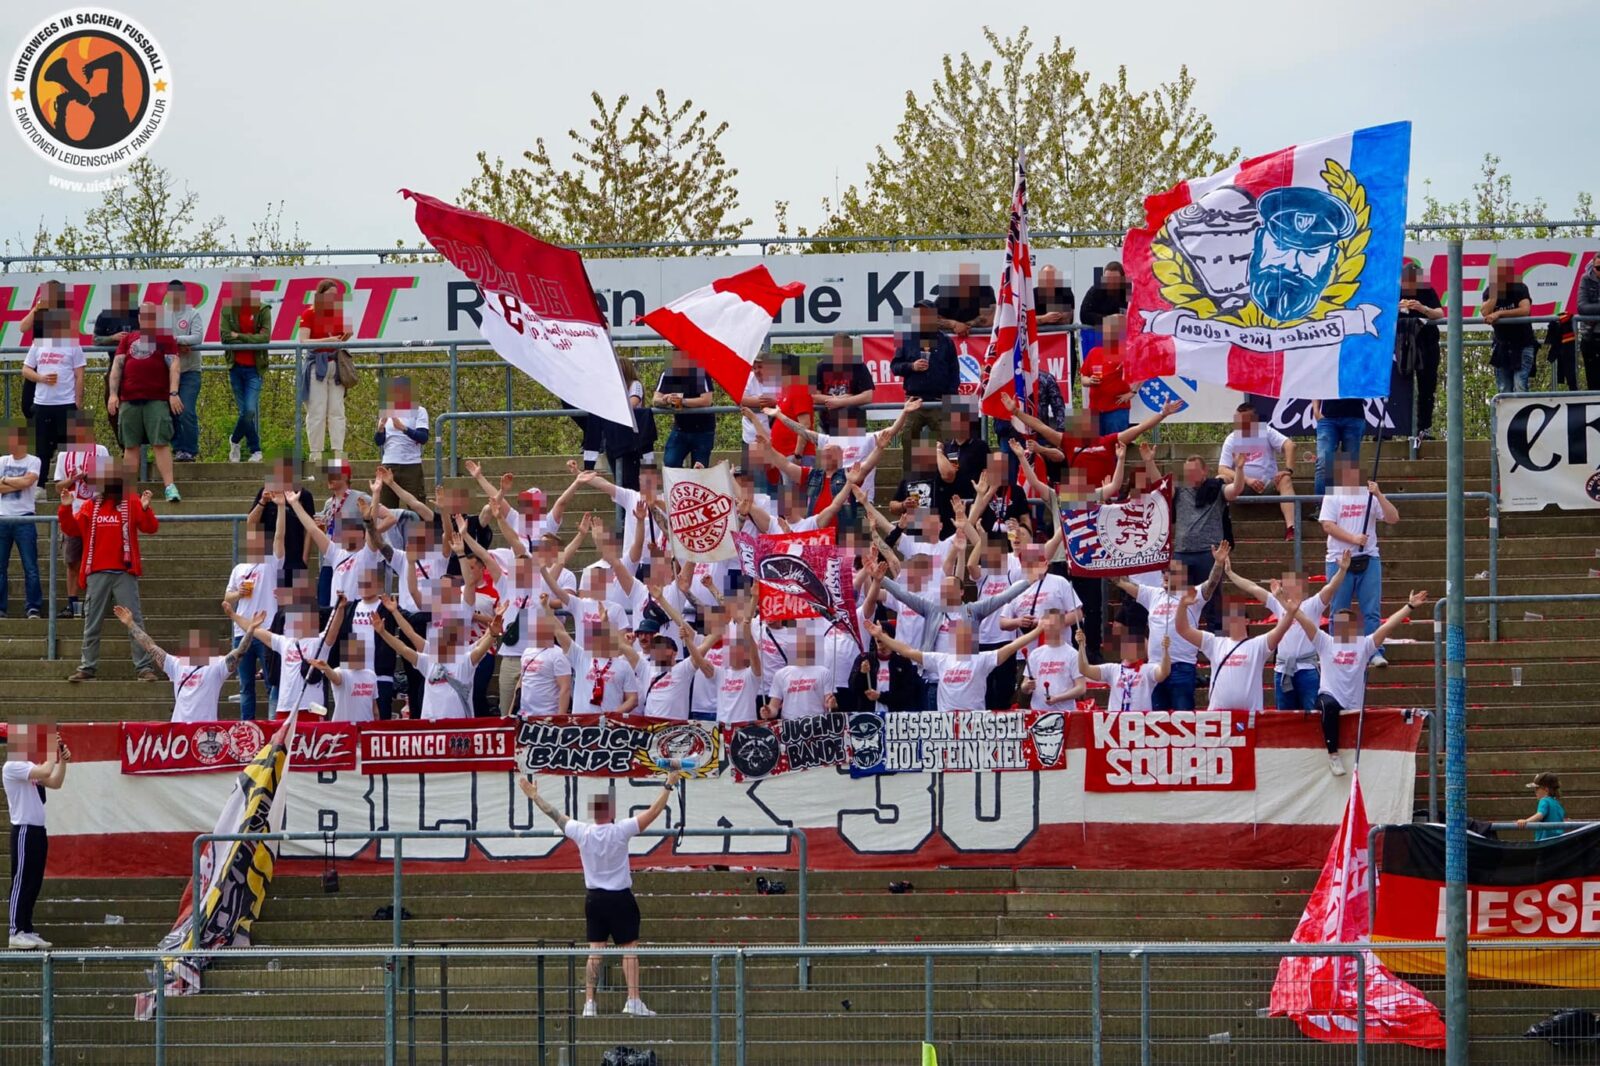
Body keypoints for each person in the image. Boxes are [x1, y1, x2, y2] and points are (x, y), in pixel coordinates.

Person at [519, 771, 683, 1018]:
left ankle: (589, 1004)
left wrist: (535, 796)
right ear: (612, 812)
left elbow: (555, 815)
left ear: (594, 813)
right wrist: (668, 786)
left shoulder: (582, 832)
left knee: (595, 951)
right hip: (620, 897)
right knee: (629, 949)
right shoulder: (621, 830)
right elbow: (653, 812)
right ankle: (633, 999)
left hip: (594, 899)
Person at [1287, 588, 1428, 775]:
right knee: (1326, 705)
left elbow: (1386, 628)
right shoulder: (1325, 642)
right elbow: (1306, 623)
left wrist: (1409, 606)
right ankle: (1333, 755)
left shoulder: (1364, 644)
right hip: (1330, 696)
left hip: (1352, 702)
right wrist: (1293, 610)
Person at [57, 476, 161, 683]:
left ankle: (143, 667)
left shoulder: (131, 503)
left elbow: (150, 527)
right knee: (92, 622)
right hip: (96, 572)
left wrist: (145, 508)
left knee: (135, 623)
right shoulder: (90, 506)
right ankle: (87, 667)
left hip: (124, 572)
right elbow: (72, 530)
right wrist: (66, 508)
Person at [1225, 552, 1351, 712]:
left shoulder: (1313, 605)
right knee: (1284, 717)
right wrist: (1230, 572)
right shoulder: (1278, 604)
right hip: (1283, 669)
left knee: (1311, 715)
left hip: (1307, 668)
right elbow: (1252, 588)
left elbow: (1331, 587)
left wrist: (1342, 570)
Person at [1111, 545, 1229, 712]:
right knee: (1156, 720)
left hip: (1182, 666)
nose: (1165, 575)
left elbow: (1211, 584)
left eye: (1170, 572)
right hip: (1155, 668)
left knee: (1184, 718)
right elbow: (1121, 582)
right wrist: (1113, 562)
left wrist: (1218, 563)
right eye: (1164, 572)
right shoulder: (1152, 594)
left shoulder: (1191, 594)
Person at [113, 605, 263, 723]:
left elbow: (240, 652)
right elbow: (150, 647)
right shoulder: (177, 664)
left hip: (204, 729)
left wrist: (250, 630)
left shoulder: (217, 666)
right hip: (178, 728)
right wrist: (130, 624)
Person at [865, 617, 1041, 713]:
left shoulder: (983, 659)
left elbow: (1013, 646)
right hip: (947, 725)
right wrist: (882, 637)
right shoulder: (941, 659)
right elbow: (908, 651)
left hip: (973, 723)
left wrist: (1039, 630)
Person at [1319, 460, 1400, 665]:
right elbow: (1328, 525)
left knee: (1371, 610)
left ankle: (1374, 651)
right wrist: (1353, 539)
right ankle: (1338, 651)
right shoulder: (1333, 495)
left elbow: (1393, 518)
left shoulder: (1370, 495)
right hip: (1339, 559)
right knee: (1339, 609)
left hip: (1369, 558)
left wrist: (1379, 494)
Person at [1175, 587, 1300, 713]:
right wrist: (1182, 605)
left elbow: (1280, 630)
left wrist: (1290, 613)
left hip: (1250, 717)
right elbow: (1183, 629)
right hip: (1219, 717)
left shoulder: (1258, 645)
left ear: (1247, 621)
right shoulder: (1214, 642)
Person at [375, 601, 505, 720]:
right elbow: (404, 648)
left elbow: (483, 646)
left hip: (457, 729)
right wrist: (383, 632)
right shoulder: (429, 660)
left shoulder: (466, 660)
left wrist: (493, 634)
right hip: (431, 729)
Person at [107, 302, 183, 502]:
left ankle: (169, 486)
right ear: (139, 317)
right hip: (129, 400)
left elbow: (174, 364)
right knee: (130, 446)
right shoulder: (128, 339)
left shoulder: (165, 338)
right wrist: (113, 394)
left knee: (161, 443)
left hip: (156, 399)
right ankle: (129, 493)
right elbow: (117, 366)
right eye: (144, 315)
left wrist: (173, 392)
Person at [4, 721, 68, 949]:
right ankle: (15, 930)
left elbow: (55, 781)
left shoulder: (29, 766)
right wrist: (52, 749)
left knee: (33, 881)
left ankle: (26, 928)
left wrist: (63, 760)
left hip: (38, 830)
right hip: (23, 829)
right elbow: (45, 770)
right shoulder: (13, 766)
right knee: (21, 880)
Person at [225, 508, 286, 720]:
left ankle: (272, 723)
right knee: (245, 684)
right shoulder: (239, 568)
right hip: (242, 631)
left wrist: (279, 507)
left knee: (272, 681)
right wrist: (237, 593)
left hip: (267, 630)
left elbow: (279, 535)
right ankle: (246, 726)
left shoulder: (272, 563)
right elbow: (226, 597)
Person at [21, 284, 85, 486]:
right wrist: (37, 307)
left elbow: (78, 368)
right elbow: (23, 327)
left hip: (60, 377)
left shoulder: (64, 315)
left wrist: (78, 400)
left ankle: (61, 469)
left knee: (67, 435)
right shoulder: (39, 310)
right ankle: (43, 460)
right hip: (39, 362)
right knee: (29, 409)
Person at [51, 412, 111, 618]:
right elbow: (58, 486)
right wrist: (72, 479)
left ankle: (93, 603)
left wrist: (90, 477)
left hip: (95, 514)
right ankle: (72, 603)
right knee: (72, 561)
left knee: (96, 560)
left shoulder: (100, 450)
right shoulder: (64, 455)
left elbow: (109, 483)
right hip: (73, 515)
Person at [891, 302, 960, 469]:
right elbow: (895, 367)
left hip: (939, 401)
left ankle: (947, 478)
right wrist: (912, 366)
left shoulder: (945, 342)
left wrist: (949, 400)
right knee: (908, 437)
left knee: (948, 442)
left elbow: (954, 373)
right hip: (915, 401)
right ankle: (910, 477)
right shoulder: (907, 340)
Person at [1217, 403, 1298, 540]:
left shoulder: (1265, 431)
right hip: (1241, 486)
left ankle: (1291, 528)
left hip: (1268, 484)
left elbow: (1290, 445)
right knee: (1220, 478)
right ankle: (1220, 529)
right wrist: (1246, 479)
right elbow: (1222, 468)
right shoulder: (1232, 439)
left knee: (1285, 479)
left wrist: (1287, 470)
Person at [219, 280, 272, 463]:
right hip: (235, 367)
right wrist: (250, 339)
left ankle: (235, 440)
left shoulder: (263, 309)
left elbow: (265, 338)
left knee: (249, 411)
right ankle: (255, 450)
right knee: (245, 413)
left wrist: (239, 336)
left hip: (254, 369)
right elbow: (225, 337)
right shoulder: (228, 310)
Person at [301, 280, 353, 465]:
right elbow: (303, 341)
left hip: (336, 364)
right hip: (317, 364)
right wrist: (326, 339)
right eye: (330, 294)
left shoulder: (339, 314)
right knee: (316, 410)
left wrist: (346, 335)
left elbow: (343, 336)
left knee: (337, 410)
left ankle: (338, 451)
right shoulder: (309, 313)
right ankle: (316, 453)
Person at [1076, 626, 1171, 714]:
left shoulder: (1148, 669)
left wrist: (1165, 651)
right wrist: (1081, 646)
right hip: (1116, 722)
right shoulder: (1112, 669)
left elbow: (1164, 672)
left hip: (1140, 723)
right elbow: (1084, 669)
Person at [1397, 263, 1444, 440]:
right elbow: (1381, 314)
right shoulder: (1395, 292)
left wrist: (1422, 308)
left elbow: (1439, 313)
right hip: (1402, 347)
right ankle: (1390, 430)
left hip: (1427, 346)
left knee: (1426, 388)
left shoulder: (1427, 291)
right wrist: (1397, 307)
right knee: (1397, 387)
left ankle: (1423, 429)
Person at [0, 426, 43, 619]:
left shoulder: (34, 461)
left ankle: (33, 606)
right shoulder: (2, 460)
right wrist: (18, 481)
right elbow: (22, 482)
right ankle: (1, 608)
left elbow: (28, 482)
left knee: (30, 566)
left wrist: (5, 480)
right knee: (0, 566)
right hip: (2, 517)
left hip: (25, 518)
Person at [251, 459, 316, 581]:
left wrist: (305, 558)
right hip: (268, 560)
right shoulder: (265, 492)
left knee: (295, 599)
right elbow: (251, 523)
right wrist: (262, 502)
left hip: (295, 558)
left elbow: (309, 529)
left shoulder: (304, 495)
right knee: (270, 598)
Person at [1480, 259, 1536, 394]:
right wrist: (1494, 297)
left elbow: (1525, 310)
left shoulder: (1520, 287)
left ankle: (1523, 415)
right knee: (1504, 388)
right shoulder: (1489, 291)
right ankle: (1505, 415)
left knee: (1520, 385)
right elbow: (1485, 312)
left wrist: (1499, 313)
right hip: (1502, 345)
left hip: (1523, 344)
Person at [654, 349, 716, 469]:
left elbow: (707, 400)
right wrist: (665, 400)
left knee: (699, 468)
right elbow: (655, 399)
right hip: (680, 427)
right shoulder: (667, 373)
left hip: (703, 429)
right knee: (670, 463)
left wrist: (682, 401)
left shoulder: (700, 373)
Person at [164, 280, 205, 463]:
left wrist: (175, 340)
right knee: (169, 411)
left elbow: (197, 337)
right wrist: (179, 344)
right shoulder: (162, 315)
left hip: (190, 371)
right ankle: (178, 448)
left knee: (186, 410)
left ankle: (190, 449)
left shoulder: (193, 314)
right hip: (167, 371)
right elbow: (156, 339)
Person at [1017, 607, 1087, 710]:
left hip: (1065, 713)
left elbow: (1081, 688)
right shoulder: (1035, 654)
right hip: (1039, 712)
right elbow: (1024, 688)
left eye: (1054, 624)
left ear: (1062, 625)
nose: (1050, 627)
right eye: (1048, 624)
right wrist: (1027, 686)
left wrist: (1057, 698)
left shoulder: (1073, 654)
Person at [603, 355, 654, 490]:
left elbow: (633, 402)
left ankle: (647, 504)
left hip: (635, 436)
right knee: (622, 479)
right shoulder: (613, 387)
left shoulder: (635, 384)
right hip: (618, 436)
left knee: (638, 477)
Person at [812, 333, 876, 436]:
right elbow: (814, 396)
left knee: (854, 451)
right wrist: (839, 399)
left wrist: (840, 402)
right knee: (829, 450)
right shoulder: (820, 367)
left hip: (853, 422)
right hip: (828, 422)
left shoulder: (859, 366)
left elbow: (868, 396)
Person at [1081, 314, 1133, 435]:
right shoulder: (1094, 352)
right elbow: (1083, 378)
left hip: (1116, 410)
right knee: (1096, 448)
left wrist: (1132, 392)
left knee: (1115, 446)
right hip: (1095, 409)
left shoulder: (1128, 352)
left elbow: (1143, 371)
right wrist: (1089, 381)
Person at [1311, 395, 1365, 497]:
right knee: (1323, 462)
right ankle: (1322, 508)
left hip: (1355, 416)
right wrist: (1315, 410)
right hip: (1327, 418)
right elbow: (1317, 383)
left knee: (1349, 464)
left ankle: (1347, 508)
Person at [931, 264, 996, 335]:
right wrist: (954, 324)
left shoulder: (984, 290)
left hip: (980, 340)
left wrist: (965, 326)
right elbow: (930, 319)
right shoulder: (947, 293)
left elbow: (989, 319)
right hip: (951, 340)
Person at [1078, 262, 1128, 330]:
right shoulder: (1096, 290)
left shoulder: (1128, 292)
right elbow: (1084, 315)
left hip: (1123, 335)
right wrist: (1109, 320)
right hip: (1098, 335)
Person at [1518, 772, 1567, 841]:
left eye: (1537, 789)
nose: (1535, 792)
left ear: (1546, 790)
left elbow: (1540, 814)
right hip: (1557, 840)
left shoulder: (1544, 800)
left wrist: (1526, 821)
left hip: (1545, 841)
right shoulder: (1557, 802)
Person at [91, 283, 139, 348]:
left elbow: (152, 339)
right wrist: (112, 338)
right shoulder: (105, 316)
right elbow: (95, 340)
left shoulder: (140, 313)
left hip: (138, 355)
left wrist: (136, 336)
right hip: (115, 355)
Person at [1577, 256, 1600, 392]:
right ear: (1593, 267)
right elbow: (1582, 307)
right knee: (1594, 385)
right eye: (1598, 268)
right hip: (1592, 338)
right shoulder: (1586, 279)